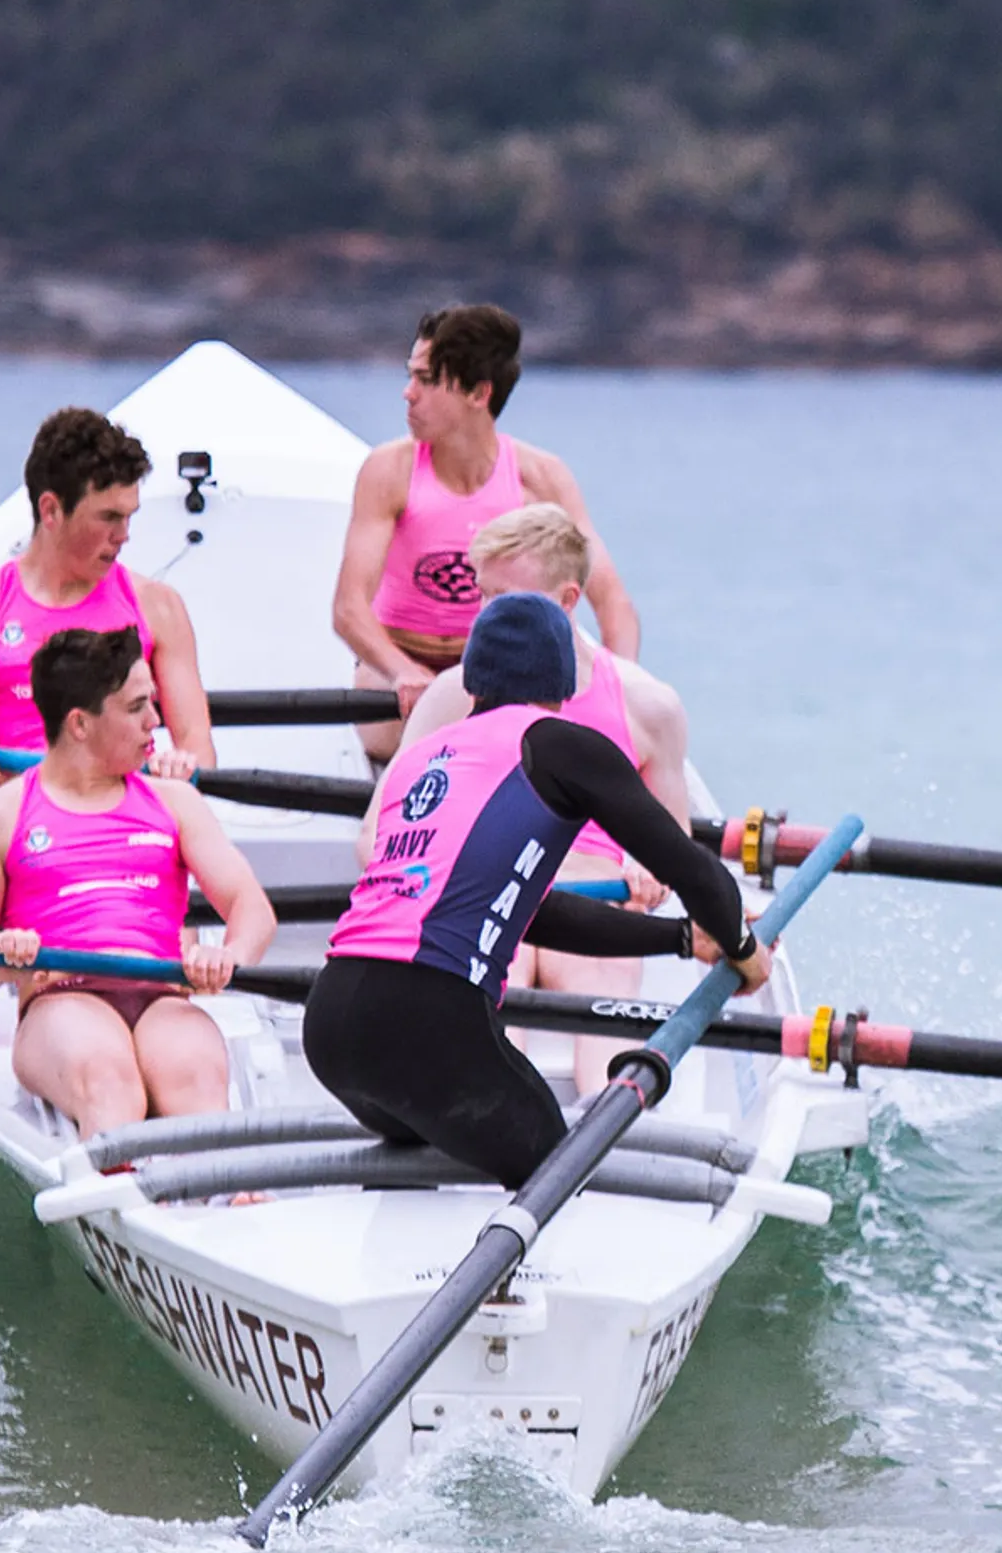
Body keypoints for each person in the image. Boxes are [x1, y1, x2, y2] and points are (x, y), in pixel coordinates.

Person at [303, 593, 769, 1191]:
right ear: (565, 686)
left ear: (470, 681)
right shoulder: (557, 744)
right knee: (557, 1171)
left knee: (439, 1138)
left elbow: (528, 913)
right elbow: (695, 871)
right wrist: (741, 945)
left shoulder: (420, 759)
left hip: (332, 1023)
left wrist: (681, 939)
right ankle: (497, 1284)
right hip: (425, 1017)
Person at [373, 501, 693, 1094]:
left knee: (606, 1048)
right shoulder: (452, 695)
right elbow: (376, 836)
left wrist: (646, 870)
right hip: (490, 896)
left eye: (502, 600)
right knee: (478, 1031)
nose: (481, 619)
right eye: (481, 595)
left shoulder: (648, 705)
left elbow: (673, 847)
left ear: (568, 601)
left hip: (597, 905)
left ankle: (609, 1127)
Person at [0, 625, 274, 1140]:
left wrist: (231, 956)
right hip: (61, 999)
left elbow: (250, 905)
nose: (155, 722)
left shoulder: (174, 801)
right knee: (111, 1082)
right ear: (80, 724)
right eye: (137, 707)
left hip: (162, 996)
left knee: (198, 1078)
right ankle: (122, 1199)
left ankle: (234, 1201)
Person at [331, 303, 641, 762]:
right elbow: (349, 609)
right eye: (409, 375)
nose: (407, 394)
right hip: (398, 666)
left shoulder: (541, 478)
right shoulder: (388, 471)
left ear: (479, 394)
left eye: (427, 380)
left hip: (504, 662)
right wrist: (403, 673)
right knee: (396, 731)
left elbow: (613, 603)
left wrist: (620, 690)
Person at [0, 406, 216, 802]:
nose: (123, 536)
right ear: (51, 510)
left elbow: (200, 751)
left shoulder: (159, 609)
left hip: (130, 825)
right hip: (29, 829)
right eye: (108, 517)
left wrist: (182, 767)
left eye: (129, 517)